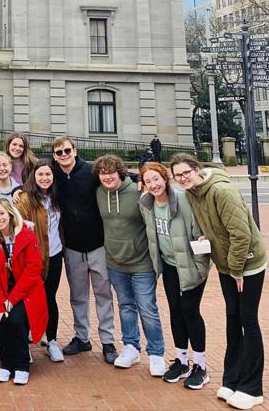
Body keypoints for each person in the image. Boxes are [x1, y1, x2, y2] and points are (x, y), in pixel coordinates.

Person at [170, 154, 267, 410]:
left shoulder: (222, 191)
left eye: (185, 173)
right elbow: (214, 224)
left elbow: (241, 234)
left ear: (196, 168)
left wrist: (236, 270)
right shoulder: (193, 192)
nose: (182, 178)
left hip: (247, 263)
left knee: (248, 321)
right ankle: (232, 380)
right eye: (177, 175)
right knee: (232, 319)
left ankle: (252, 387)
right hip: (226, 264)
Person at [139, 162, 211, 389]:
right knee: (175, 310)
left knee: (190, 310)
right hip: (169, 265)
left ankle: (201, 365)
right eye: (148, 181)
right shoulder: (146, 204)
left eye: (156, 179)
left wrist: (200, 269)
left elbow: (200, 234)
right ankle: (181, 360)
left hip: (191, 265)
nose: (153, 184)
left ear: (165, 178)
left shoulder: (183, 199)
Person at [93, 154, 165, 377]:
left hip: (142, 262)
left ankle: (156, 353)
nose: (106, 177)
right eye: (102, 173)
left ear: (120, 172)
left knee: (148, 308)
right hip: (115, 262)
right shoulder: (98, 193)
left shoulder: (138, 193)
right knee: (125, 306)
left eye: (110, 172)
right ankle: (131, 346)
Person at [51, 136, 117, 364]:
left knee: (104, 295)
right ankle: (82, 337)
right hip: (72, 247)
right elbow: (31, 179)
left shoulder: (90, 171)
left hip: (98, 244)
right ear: (54, 156)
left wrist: (138, 180)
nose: (64, 155)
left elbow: (114, 177)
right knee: (78, 296)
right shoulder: (53, 175)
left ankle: (108, 341)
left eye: (67, 150)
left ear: (75, 150)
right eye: (58, 152)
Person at [0, 200, 48, 385]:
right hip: (3, 291)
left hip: (26, 291)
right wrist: (1, 304)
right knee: (3, 321)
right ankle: (6, 364)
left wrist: (12, 300)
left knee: (17, 321)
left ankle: (22, 365)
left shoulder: (26, 234)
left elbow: (33, 270)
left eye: (2, 213)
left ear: (10, 214)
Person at [15, 160, 64, 362]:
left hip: (55, 255)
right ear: (34, 177)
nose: (44, 178)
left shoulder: (58, 197)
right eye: (40, 174)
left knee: (50, 298)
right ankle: (25, 345)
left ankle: (51, 340)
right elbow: (17, 227)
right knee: (28, 299)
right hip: (33, 258)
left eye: (48, 175)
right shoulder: (25, 199)